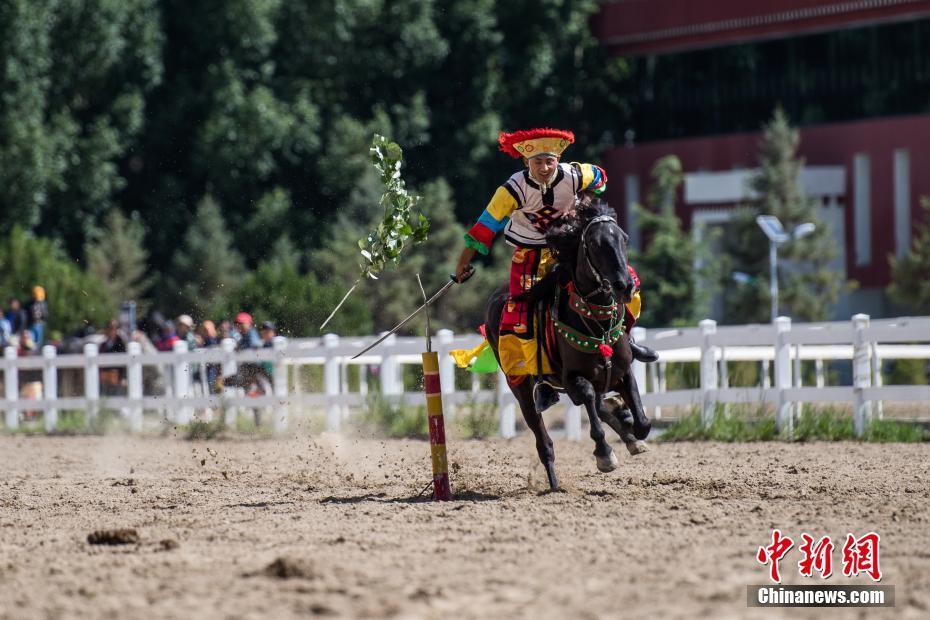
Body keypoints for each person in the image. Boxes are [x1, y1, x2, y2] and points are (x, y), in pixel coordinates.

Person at [453, 128, 657, 411]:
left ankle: (627, 341)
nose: (545, 167)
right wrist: (463, 261)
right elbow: (485, 227)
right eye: (537, 162)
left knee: (626, 280)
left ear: (558, 158)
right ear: (526, 163)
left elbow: (601, 179)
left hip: (572, 244)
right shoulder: (511, 189)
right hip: (530, 253)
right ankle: (541, 380)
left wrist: (582, 204)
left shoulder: (574, 174)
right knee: (521, 312)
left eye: (549, 161)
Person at [99, 319, 127, 395]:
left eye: (114, 328)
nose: (112, 331)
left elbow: (124, 362)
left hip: (118, 378)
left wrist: (124, 377)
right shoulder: (103, 345)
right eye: (110, 328)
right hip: (105, 378)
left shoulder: (121, 344)